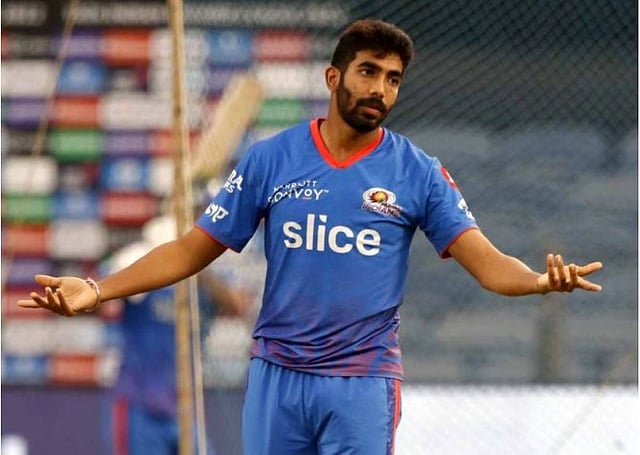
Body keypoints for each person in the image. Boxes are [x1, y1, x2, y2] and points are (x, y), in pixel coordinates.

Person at [19, 19, 603, 455]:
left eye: (393, 79)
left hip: (363, 381)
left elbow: (487, 262)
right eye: (368, 72)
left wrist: (536, 281)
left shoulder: (418, 172)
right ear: (333, 76)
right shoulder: (272, 158)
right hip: (277, 376)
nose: (380, 90)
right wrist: (98, 289)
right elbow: (192, 249)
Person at [100, 215, 254, 455]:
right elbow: (101, 295)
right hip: (139, 403)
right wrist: (138, 264)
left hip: (183, 407)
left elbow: (238, 305)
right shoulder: (143, 276)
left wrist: (196, 265)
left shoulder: (204, 282)